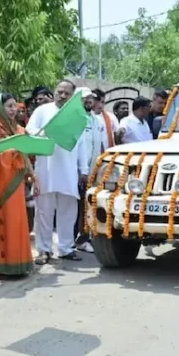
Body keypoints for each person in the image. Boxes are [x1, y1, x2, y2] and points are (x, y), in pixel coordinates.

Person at [27, 80, 89, 262]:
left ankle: (66, 248)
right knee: (44, 212)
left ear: (72, 96)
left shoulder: (77, 115)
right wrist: (46, 132)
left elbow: (81, 145)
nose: (62, 95)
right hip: (46, 169)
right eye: (59, 91)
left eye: (66, 93)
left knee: (68, 212)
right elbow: (30, 130)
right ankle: (44, 250)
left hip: (68, 171)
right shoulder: (42, 111)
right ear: (54, 92)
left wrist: (83, 169)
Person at [0, 93, 37, 274]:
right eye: (9, 106)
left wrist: (33, 176)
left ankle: (17, 263)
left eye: (15, 106)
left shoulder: (19, 130)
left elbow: (25, 155)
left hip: (16, 181)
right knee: (2, 218)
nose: (13, 110)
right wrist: (9, 151)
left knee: (16, 220)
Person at [75, 91, 104, 254]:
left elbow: (101, 145)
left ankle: (86, 237)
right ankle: (80, 238)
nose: (89, 100)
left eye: (91, 98)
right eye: (85, 98)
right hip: (80, 171)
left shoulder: (97, 119)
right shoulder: (76, 120)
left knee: (90, 205)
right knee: (80, 206)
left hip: (95, 169)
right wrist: (82, 170)